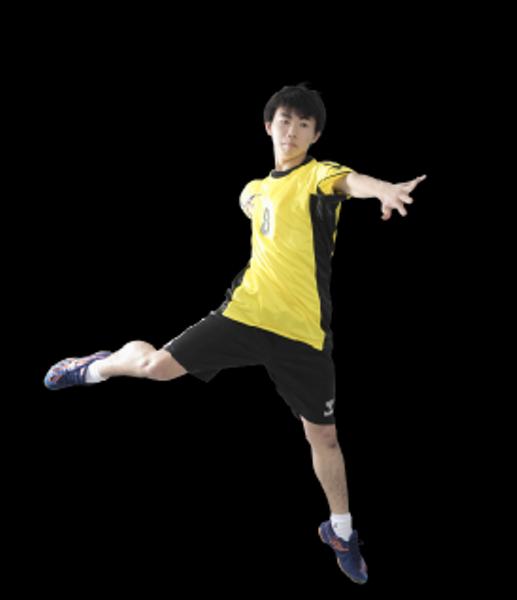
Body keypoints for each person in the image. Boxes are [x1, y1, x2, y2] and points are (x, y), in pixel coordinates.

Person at [44, 83, 426, 584]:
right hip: (245, 314)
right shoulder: (252, 191)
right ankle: (95, 366)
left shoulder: (317, 176)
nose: (292, 131)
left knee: (325, 437)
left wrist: (384, 189)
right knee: (156, 368)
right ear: (269, 126)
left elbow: (350, 182)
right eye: (285, 121)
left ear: (315, 136)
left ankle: (341, 531)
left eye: (304, 125)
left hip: (303, 335)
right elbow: (260, 217)